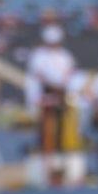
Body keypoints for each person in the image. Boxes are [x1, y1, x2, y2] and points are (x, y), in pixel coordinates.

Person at [26, 25, 75, 157]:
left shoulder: (65, 56)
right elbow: (38, 74)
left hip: (61, 92)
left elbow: (69, 73)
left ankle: (59, 149)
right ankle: (45, 149)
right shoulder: (39, 55)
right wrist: (52, 86)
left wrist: (61, 87)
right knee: (45, 121)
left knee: (60, 121)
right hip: (45, 91)